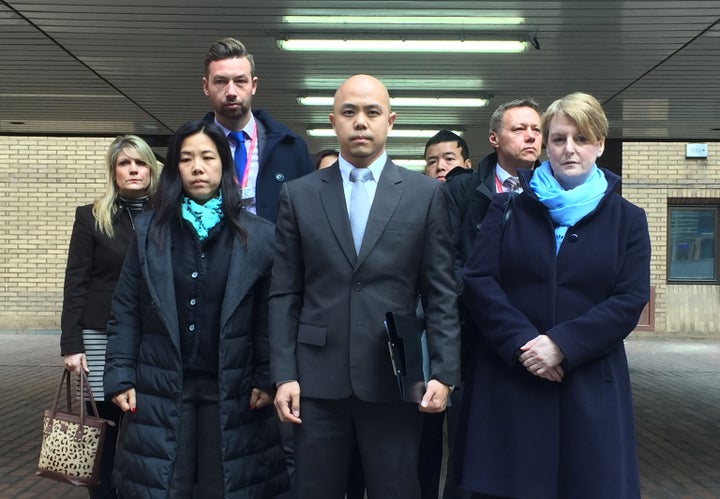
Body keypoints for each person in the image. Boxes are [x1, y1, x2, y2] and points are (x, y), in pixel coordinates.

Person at [269, 74, 461, 499]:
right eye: (349, 112)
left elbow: (441, 291)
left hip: (394, 377)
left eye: (372, 112)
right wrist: (282, 374)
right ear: (333, 121)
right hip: (315, 381)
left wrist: (444, 372)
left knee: (396, 489)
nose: (360, 122)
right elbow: (284, 292)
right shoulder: (298, 195)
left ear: (389, 121)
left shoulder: (424, 194)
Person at [458, 92, 650, 498]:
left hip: (590, 386)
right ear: (546, 144)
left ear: (599, 144)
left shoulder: (628, 219)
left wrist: (561, 344)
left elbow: (629, 299)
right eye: (559, 138)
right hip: (513, 382)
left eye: (581, 139)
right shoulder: (507, 206)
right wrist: (525, 345)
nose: (569, 149)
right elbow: (479, 281)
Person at [103, 120, 287, 498]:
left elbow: (269, 316)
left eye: (207, 157)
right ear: (175, 169)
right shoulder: (149, 231)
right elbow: (125, 308)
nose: (197, 167)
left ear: (224, 165)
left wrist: (267, 375)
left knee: (227, 485)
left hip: (234, 387)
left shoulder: (260, 235)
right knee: (166, 485)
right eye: (186, 159)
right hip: (162, 384)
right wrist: (120, 375)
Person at [60, 134, 159, 499]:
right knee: (105, 428)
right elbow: (76, 282)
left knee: (146, 423)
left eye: (140, 163)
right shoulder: (91, 216)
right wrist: (71, 344)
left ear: (151, 169)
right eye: (124, 163)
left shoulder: (168, 214)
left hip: (152, 335)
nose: (133, 169)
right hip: (99, 335)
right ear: (113, 171)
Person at [201, 37, 314, 223]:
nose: (231, 92)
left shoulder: (290, 148)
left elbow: (311, 216)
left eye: (240, 81)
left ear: (253, 85)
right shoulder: (187, 149)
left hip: (274, 251)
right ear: (206, 86)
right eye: (221, 81)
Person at [418, 129, 473, 499]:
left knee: (464, 439)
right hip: (422, 336)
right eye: (432, 161)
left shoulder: (474, 203)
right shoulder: (416, 205)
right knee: (422, 439)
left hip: (466, 337)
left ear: (466, 165)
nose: (440, 167)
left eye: (449, 159)